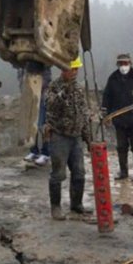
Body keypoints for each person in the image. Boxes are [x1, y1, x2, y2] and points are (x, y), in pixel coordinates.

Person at [43, 56, 92, 220]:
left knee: (79, 173)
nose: (74, 72)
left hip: (76, 136)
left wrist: (88, 139)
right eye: (72, 69)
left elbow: (83, 114)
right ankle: (55, 208)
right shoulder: (54, 86)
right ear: (63, 69)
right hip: (59, 136)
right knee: (58, 174)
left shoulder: (78, 88)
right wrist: (64, 93)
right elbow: (50, 105)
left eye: (76, 69)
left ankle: (76, 204)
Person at [101, 53, 133, 181]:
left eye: (125, 63)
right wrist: (105, 115)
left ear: (130, 63)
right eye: (121, 63)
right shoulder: (112, 79)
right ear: (117, 64)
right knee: (121, 147)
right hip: (119, 120)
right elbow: (106, 97)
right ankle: (123, 172)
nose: (123, 66)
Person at [20, 62, 52, 166]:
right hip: (29, 97)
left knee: (42, 125)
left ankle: (46, 153)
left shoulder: (42, 62)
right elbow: (21, 77)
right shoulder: (23, 63)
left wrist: (35, 86)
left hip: (41, 97)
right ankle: (33, 151)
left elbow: (47, 79)